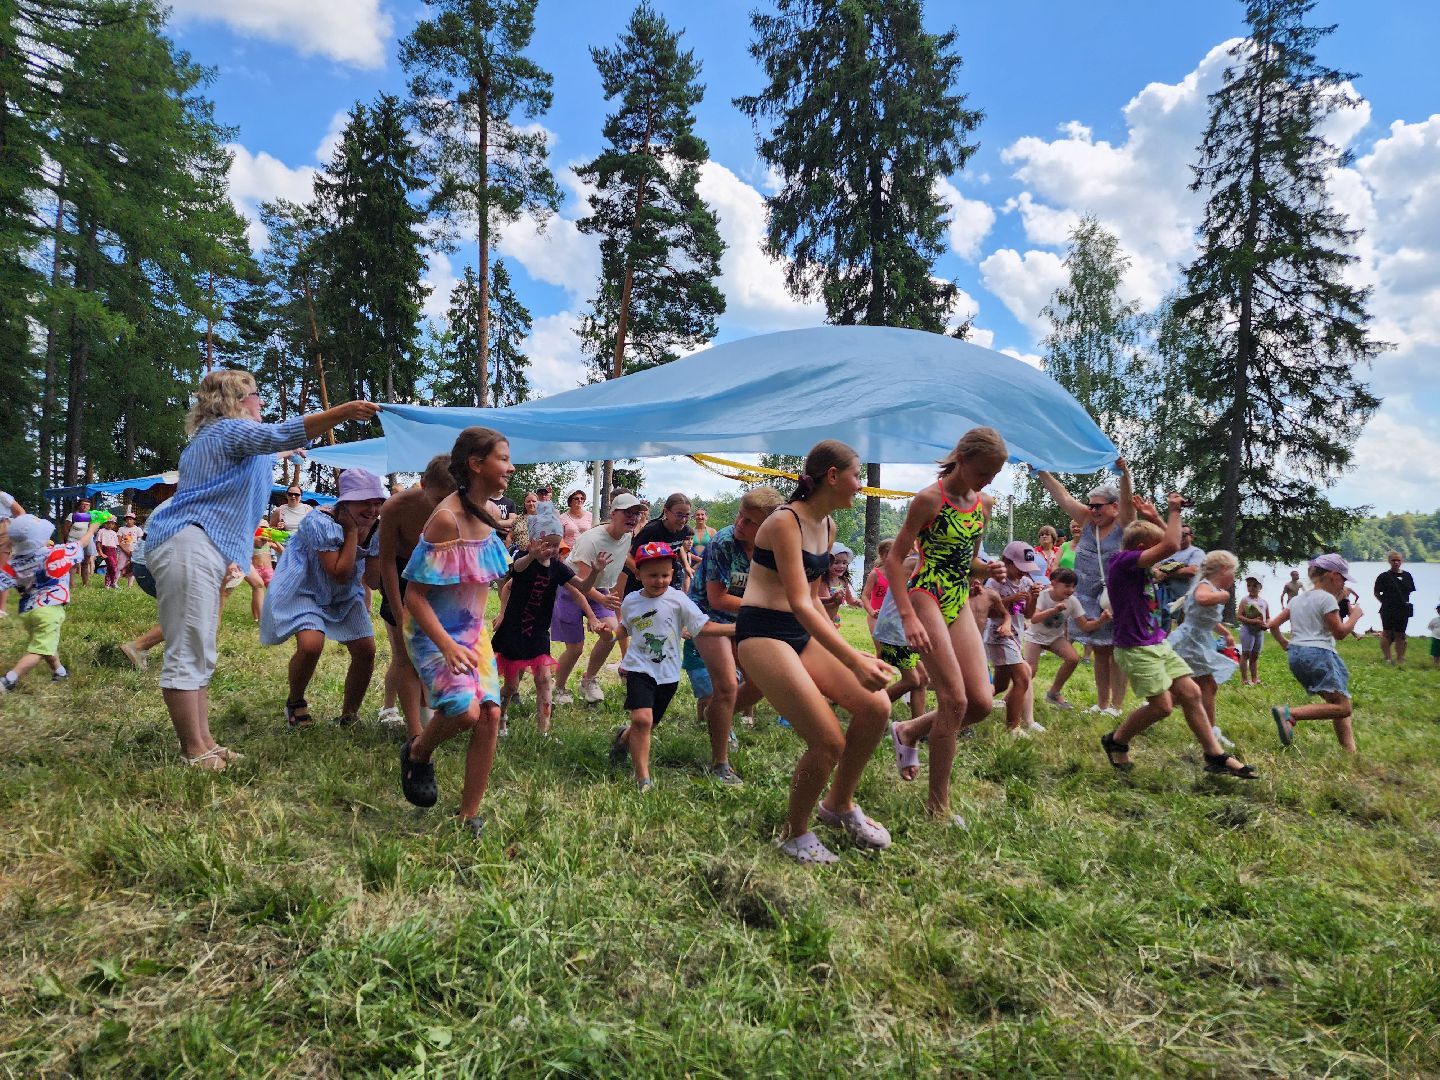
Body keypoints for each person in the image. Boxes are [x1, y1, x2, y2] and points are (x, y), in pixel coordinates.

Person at [143, 369, 377, 771]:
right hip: (188, 541)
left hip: (202, 545)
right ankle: (193, 750)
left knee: (202, 647)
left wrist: (292, 452)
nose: (262, 403)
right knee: (189, 648)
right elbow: (275, 437)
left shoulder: (231, 440)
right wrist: (342, 412)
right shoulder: (224, 432)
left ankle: (205, 743)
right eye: (255, 395)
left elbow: (273, 448)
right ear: (234, 399)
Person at [736, 440, 894, 863]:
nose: (860, 486)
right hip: (762, 632)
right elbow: (799, 601)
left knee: (877, 707)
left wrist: (856, 658)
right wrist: (852, 658)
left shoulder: (828, 528)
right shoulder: (784, 522)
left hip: (799, 631)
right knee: (828, 741)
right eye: (857, 476)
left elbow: (812, 602)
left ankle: (838, 806)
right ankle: (794, 834)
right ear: (832, 476)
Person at [886, 428, 1008, 824]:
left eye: (994, 474)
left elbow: (968, 561)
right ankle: (937, 806)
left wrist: (990, 568)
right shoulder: (929, 499)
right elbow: (895, 559)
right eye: (984, 471)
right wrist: (906, 615)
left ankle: (908, 729)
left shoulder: (984, 504)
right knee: (954, 701)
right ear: (964, 457)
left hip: (958, 596)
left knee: (981, 703)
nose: (988, 480)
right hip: (926, 593)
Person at [398, 427, 513, 835]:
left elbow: (484, 577)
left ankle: (469, 814)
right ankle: (418, 751)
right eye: (503, 458)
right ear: (476, 464)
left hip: (473, 632)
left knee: (491, 713)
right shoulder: (446, 520)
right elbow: (414, 595)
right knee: (464, 711)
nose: (510, 468)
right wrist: (445, 645)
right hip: (434, 633)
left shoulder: (491, 514)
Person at [1097, 493, 1256, 779]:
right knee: (1163, 707)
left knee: (1192, 692)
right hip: (1136, 648)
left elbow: (1173, 547)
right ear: (1144, 548)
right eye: (1157, 551)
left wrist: (1156, 517)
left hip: (1157, 643)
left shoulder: (1141, 564)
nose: (1165, 557)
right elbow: (1170, 544)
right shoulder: (1122, 563)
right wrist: (1173, 509)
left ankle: (1214, 756)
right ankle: (1117, 740)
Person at [259, 468, 386, 728]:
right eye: (365, 502)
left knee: (366, 650)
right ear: (345, 500)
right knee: (310, 645)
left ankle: (350, 715)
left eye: (377, 503)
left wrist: (387, 546)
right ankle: (295, 701)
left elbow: (372, 580)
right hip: (305, 588)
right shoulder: (319, 521)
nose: (373, 510)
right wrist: (351, 533)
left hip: (344, 593)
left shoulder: (377, 527)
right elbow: (338, 573)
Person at [608, 542, 736, 790]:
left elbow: (704, 627)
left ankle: (624, 739)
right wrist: (610, 635)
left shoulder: (678, 600)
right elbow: (625, 627)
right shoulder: (632, 601)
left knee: (649, 723)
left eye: (665, 575)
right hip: (639, 668)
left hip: (667, 674)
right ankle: (643, 779)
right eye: (652, 575)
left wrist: (738, 628)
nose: (659, 581)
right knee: (643, 720)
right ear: (639, 575)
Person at [684, 485, 784, 782]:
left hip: (747, 618)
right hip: (707, 615)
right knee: (727, 685)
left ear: (768, 525)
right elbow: (717, 599)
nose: (740, 524)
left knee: (762, 682)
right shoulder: (724, 541)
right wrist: (767, 610)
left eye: (750, 521)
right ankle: (720, 764)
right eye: (740, 515)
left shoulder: (776, 548)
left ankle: (717, 715)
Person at [1035, 461, 1135, 715]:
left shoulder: (1124, 524)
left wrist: (1124, 474)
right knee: (1101, 652)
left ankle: (1116, 706)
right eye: (1090, 505)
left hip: (1117, 597)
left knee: (1118, 652)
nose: (1093, 510)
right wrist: (1041, 471)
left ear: (1114, 507)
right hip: (1089, 596)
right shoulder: (1087, 521)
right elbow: (1063, 497)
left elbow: (1127, 500)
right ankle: (1102, 705)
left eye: (1098, 506)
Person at [492, 530, 604, 736]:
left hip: (538, 632)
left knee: (543, 678)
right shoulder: (524, 561)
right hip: (513, 632)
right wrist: (501, 613)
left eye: (555, 545)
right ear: (533, 542)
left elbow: (582, 587)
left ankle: (544, 731)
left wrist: (595, 572)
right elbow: (515, 571)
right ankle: (501, 716)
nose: (551, 550)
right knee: (511, 685)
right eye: (546, 544)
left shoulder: (557, 568)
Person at [376, 456, 456, 738]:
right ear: (422, 486)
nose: (444, 508)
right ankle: (414, 731)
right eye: (438, 500)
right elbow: (386, 561)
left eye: (451, 499)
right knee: (405, 654)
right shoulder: (396, 506)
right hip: (399, 572)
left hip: (436, 577)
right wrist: (398, 611)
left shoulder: (459, 508)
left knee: (430, 652)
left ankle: (428, 713)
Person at [1269, 554, 1363, 754]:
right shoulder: (1327, 599)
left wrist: (1285, 644)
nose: (1343, 584)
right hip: (1319, 654)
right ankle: (1289, 714)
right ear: (1332, 575)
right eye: (1343, 579)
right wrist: (1355, 616)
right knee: (1344, 708)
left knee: (1337, 701)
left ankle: (1349, 751)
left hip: (1296, 656)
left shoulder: (1299, 599)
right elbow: (1339, 633)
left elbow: (1273, 625)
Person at [550, 495, 640, 704]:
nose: (633, 517)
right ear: (613, 514)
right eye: (628, 512)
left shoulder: (627, 536)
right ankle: (559, 688)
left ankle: (588, 680)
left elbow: (621, 555)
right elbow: (580, 581)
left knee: (611, 634)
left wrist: (638, 569)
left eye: (636, 513)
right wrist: (600, 603)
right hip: (571, 588)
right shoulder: (591, 539)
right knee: (575, 648)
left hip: (599, 590)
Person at [0, 514, 99, 692]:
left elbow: (2, 582)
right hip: (49, 610)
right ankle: (9, 679)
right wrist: (92, 528)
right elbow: (82, 544)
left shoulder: (13, 563)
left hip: (28, 612)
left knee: (45, 643)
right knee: (39, 650)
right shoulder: (57, 552)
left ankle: (59, 672)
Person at [1164, 550, 1241, 750]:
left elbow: (1206, 618)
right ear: (1224, 570)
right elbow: (1202, 599)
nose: (1234, 578)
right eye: (1233, 572)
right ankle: (1210, 732)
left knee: (1196, 686)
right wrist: (1222, 595)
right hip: (1191, 642)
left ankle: (1155, 708)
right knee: (1206, 684)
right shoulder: (1205, 586)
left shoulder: (1210, 587)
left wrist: (1225, 633)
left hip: (1197, 639)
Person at [1024, 567, 1107, 711]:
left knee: (1073, 659)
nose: (1071, 590)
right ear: (1054, 583)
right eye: (1067, 586)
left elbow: (1085, 626)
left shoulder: (1072, 601)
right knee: (1030, 670)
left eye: (1074, 586)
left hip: (1055, 638)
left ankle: (1053, 693)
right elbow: (1034, 619)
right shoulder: (1043, 596)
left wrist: (1101, 620)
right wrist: (1054, 610)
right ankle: (1012, 697)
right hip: (1035, 637)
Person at [985, 541, 1045, 736]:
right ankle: (1014, 727)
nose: (1022, 573)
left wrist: (1033, 597)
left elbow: (1028, 614)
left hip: (1016, 634)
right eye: (1019, 568)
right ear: (1006, 562)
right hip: (998, 634)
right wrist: (1011, 599)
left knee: (1001, 685)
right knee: (1022, 677)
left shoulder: (1026, 582)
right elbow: (985, 610)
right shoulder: (994, 582)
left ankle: (970, 701)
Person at [872, 552, 928, 743]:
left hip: (904, 631)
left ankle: (918, 728)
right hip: (894, 630)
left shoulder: (919, 561)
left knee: (922, 680)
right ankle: (869, 709)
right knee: (912, 680)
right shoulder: (914, 562)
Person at [1153, 524, 1204, 631]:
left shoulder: (1196, 552)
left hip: (1186, 598)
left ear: (1191, 536)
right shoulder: (1169, 551)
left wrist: (1166, 573)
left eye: (1184, 535)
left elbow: (1192, 570)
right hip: (1164, 596)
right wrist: (1157, 572)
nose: (1180, 537)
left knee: (1184, 629)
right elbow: (1155, 567)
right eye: (1178, 534)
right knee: (1163, 625)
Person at [1374, 551, 1417, 665]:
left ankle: (1400, 658)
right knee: (1387, 633)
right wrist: (1385, 602)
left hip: (1403, 609)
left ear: (1401, 561)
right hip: (1387, 609)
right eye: (1393, 560)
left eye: (1398, 560)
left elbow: (1409, 592)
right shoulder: (1383, 576)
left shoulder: (1407, 576)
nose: (1396, 562)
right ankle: (1388, 658)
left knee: (1400, 634)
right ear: (1389, 561)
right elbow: (1377, 592)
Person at [1236, 577, 1270, 686]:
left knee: (1255, 655)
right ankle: (1244, 679)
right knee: (1246, 653)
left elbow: (1268, 617)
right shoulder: (1245, 600)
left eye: (1254, 585)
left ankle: (1255, 678)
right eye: (1249, 585)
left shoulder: (1264, 602)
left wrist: (1267, 625)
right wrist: (1252, 621)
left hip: (1259, 632)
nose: (1251, 588)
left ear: (1260, 587)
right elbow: (1239, 616)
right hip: (1247, 630)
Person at [819, 543, 861, 625]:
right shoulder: (823, 581)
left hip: (834, 619)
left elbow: (850, 600)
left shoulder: (843, 581)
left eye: (844, 563)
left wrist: (857, 602)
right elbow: (826, 604)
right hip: (822, 620)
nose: (841, 566)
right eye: (836, 562)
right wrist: (836, 601)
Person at [860, 538, 894, 636]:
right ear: (884, 555)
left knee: (894, 650)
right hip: (876, 617)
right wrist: (871, 612)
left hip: (893, 617)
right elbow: (865, 596)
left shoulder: (900, 573)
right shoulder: (875, 574)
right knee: (881, 650)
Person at [65, 498, 98, 586]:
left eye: (87, 505)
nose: (85, 506)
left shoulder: (92, 516)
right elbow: (66, 529)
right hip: (73, 541)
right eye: (83, 504)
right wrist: (65, 542)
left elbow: (94, 531)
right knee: (73, 563)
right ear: (79, 505)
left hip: (88, 541)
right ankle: (71, 585)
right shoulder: (72, 515)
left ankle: (85, 584)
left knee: (86, 563)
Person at [116, 512, 142, 588]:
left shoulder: (138, 529)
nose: (129, 521)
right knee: (119, 566)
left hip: (134, 551)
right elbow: (118, 541)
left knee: (132, 568)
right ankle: (114, 582)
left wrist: (135, 551)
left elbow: (140, 542)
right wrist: (125, 550)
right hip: (123, 551)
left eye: (131, 519)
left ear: (134, 520)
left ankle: (129, 586)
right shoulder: (121, 529)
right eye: (127, 519)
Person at [95, 516, 121, 588]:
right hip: (106, 550)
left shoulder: (114, 533)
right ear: (105, 523)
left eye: (112, 524)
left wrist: (117, 554)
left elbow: (116, 545)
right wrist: (101, 552)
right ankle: (113, 582)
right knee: (112, 567)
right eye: (109, 523)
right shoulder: (101, 531)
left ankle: (108, 584)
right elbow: (98, 542)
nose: (110, 525)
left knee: (111, 567)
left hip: (114, 551)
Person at [1427, 604, 1440, 668]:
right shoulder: (1434, 620)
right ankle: (1435, 665)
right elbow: (1430, 627)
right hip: (1436, 638)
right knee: (1435, 653)